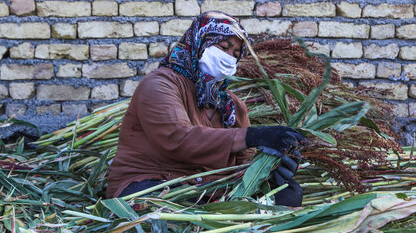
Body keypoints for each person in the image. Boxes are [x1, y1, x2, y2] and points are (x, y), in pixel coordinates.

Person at [106, 11, 307, 206]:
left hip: (207, 188)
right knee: (168, 205)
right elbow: (178, 138)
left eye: (235, 54)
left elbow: (245, 162)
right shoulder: (160, 84)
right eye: (223, 47)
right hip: (153, 181)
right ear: (199, 42)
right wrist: (253, 136)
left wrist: (271, 168)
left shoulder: (232, 105)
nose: (228, 57)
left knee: (289, 194)